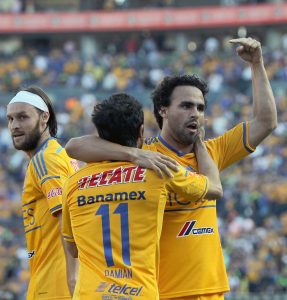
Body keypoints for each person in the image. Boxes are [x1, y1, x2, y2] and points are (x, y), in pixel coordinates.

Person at [65, 37, 277, 299]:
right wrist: (132, 154)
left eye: (200, 108)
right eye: (186, 106)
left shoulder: (211, 153)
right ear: (163, 110)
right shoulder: (148, 158)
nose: (196, 114)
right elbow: (75, 146)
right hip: (162, 290)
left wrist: (257, 64)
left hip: (209, 290)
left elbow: (266, 122)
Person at [61, 93, 223, 300]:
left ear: (99, 135)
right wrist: (199, 142)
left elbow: (72, 248)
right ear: (141, 132)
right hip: (139, 294)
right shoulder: (159, 170)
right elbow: (214, 188)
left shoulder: (74, 183)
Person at [6, 86, 78, 300]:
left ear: (44, 117)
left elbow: (67, 216)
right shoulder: (57, 154)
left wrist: (72, 277)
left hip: (56, 285)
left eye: (22, 117)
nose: (15, 126)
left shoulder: (45, 159)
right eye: (10, 119)